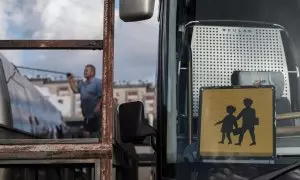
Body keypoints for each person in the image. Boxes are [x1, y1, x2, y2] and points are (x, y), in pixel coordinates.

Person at [67, 64, 102, 138]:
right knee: (86, 135)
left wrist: (98, 106)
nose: (84, 72)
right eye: (84, 70)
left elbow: (103, 95)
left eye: (86, 70)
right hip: (87, 116)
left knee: (95, 135)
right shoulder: (83, 84)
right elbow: (75, 90)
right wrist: (70, 80)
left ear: (92, 72)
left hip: (96, 116)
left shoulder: (98, 82)